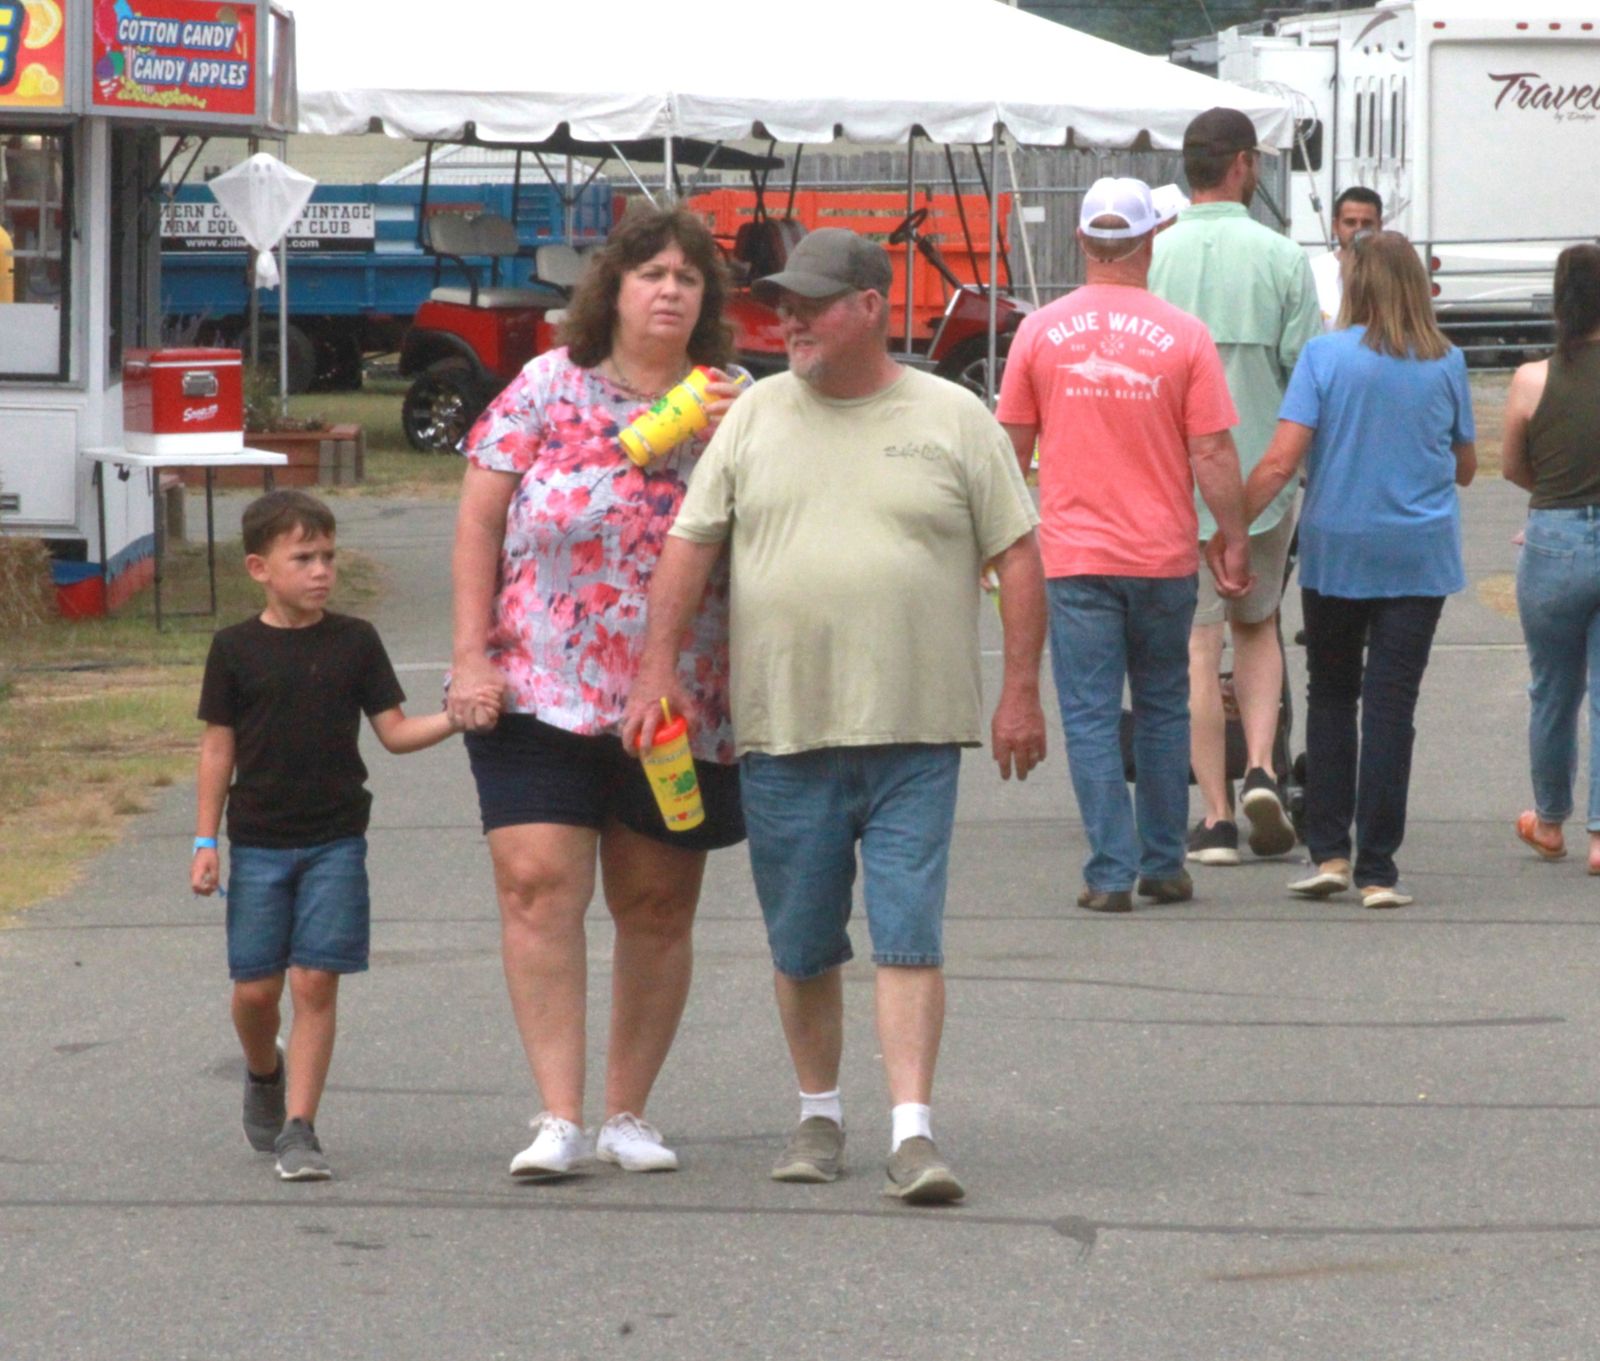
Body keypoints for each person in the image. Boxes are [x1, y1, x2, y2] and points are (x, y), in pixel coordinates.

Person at [622, 228, 1047, 1205]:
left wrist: (1019, 690)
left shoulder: (952, 414)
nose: (792, 319)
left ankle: (912, 1131)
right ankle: (818, 1113)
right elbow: (689, 547)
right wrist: (657, 672)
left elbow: (1017, 555)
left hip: (912, 728)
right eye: (785, 302)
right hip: (784, 728)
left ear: (871, 307)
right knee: (803, 939)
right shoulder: (755, 412)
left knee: (907, 930)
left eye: (813, 302)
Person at [447, 206, 749, 1183]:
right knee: (536, 883)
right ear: (612, 288)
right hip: (537, 682)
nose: (669, 288)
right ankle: (559, 1116)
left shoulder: (737, 403)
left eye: (688, 277)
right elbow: (478, 524)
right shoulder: (546, 385)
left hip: (678, 699)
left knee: (656, 900)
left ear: (706, 302)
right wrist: (468, 654)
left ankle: (627, 1111)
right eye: (651, 271)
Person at [191, 490, 496, 1181]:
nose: (321, 570)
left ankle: (300, 1127)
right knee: (255, 992)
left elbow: (393, 732)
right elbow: (218, 749)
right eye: (303, 557)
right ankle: (263, 1070)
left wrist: (454, 718)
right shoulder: (234, 649)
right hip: (260, 843)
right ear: (259, 567)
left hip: (336, 841)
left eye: (327, 555)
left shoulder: (355, 640)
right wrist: (204, 841)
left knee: (316, 980)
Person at [997, 177, 1253, 915]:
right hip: (1163, 552)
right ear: (1150, 240)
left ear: (1083, 241)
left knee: (1088, 713)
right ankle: (1164, 859)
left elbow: (1009, 452)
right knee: (1165, 704)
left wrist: (1001, 547)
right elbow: (1211, 453)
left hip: (1076, 554)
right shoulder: (1186, 335)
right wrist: (1231, 536)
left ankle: (1110, 869)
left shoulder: (1039, 332)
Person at [1237, 231, 1476, 908]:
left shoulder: (1324, 356)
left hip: (1337, 548)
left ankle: (1329, 851)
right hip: (1418, 554)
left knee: (1332, 695)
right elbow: (1464, 466)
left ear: (1356, 285)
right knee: (1393, 706)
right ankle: (1379, 866)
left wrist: (1233, 525)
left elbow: (1283, 459)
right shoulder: (1447, 361)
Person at [1150, 107, 1323, 869]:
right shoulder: (1283, 257)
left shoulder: (1153, 257)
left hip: (1176, 479)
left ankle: (1215, 814)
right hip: (1263, 475)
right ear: (1244, 165)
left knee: (1196, 643)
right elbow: (1305, 378)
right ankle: (1261, 765)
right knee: (1259, 624)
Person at [1499, 244, 1600, 874]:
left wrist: (1553, 499)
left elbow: (1511, 466)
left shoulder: (1532, 377)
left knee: (1553, 691)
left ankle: (1551, 820)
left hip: (1554, 536)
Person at [1310, 188, 1384, 329]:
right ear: (1335, 226)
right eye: (1350, 222)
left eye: (1367, 223)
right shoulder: (1312, 271)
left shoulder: (1393, 272)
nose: (1358, 229)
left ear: (1380, 226)